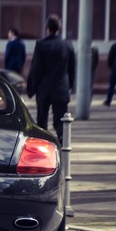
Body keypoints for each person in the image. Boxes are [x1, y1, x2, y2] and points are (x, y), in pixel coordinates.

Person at [27, 14, 76, 143]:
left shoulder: (41, 45)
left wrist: (32, 88)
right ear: (60, 28)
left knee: (42, 121)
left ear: (46, 28)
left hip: (44, 89)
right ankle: (62, 144)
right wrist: (70, 86)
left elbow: (36, 69)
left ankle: (43, 146)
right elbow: (72, 69)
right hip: (61, 88)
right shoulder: (68, 46)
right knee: (60, 122)